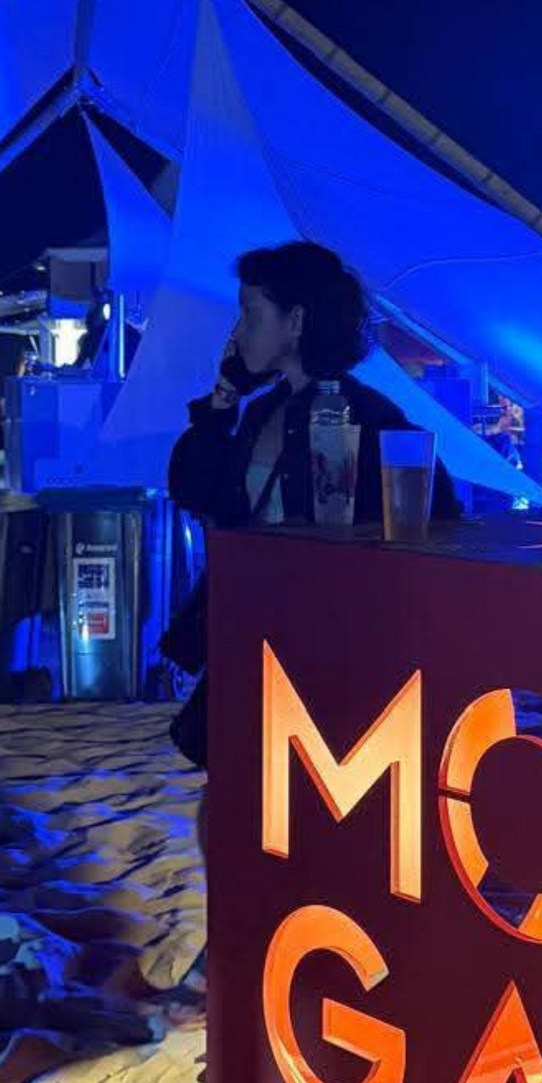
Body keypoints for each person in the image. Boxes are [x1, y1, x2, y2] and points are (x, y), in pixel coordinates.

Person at [166, 242, 458, 781]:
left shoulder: (368, 414)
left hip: (329, 641)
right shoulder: (262, 410)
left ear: (296, 321)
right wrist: (223, 398)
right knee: (233, 795)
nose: (238, 331)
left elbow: (437, 513)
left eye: (251, 313)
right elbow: (194, 488)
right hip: (256, 632)